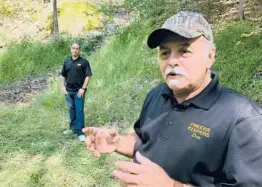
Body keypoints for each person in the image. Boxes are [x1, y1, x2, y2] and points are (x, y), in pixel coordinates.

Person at [82, 11, 262, 186]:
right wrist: (117, 142)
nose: (172, 61)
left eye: (184, 51)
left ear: (210, 56)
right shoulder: (156, 95)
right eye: (165, 53)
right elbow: (145, 142)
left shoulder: (243, 119)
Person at [61, 43, 92, 142]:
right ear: (71, 49)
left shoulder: (84, 62)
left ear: (80, 50)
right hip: (68, 91)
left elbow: (88, 76)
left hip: (79, 92)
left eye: (77, 49)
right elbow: (63, 75)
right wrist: (63, 87)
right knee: (72, 110)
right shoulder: (66, 62)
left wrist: (83, 88)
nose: (75, 50)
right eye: (73, 48)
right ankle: (72, 128)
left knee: (79, 111)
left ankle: (80, 132)